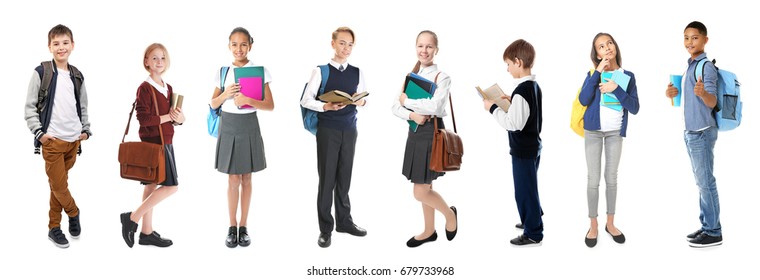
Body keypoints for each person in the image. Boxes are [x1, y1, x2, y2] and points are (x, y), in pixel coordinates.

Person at [24, 24, 92, 248]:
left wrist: (85, 130)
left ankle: (54, 228)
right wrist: (39, 133)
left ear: (72, 45)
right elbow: (30, 107)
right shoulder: (42, 72)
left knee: (57, 185)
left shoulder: (77, 75)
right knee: (59, 186)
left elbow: (82, 105)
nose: (61, 47)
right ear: (49, 47)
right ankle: (73, 212)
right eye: (56, 44)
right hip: (51, 141)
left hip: (73, 141)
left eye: (65, 43)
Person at [300, 27, 368, 248]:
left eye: (350, 44)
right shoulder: (321, 71)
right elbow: (305, 100)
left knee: (344, 178)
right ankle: (325, 229)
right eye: (342, 43)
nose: (346, 48)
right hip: (327, 131)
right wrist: (326, 106)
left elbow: (364, 98)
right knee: (327, 179)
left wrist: (360, 101)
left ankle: (345, 222)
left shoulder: (357, 72)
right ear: (333, 44)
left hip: (350, 129)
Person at [209, 27, 274, 248]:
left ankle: (244, 226)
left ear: (250, 46)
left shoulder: (259, 70)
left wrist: (248, 99)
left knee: (247, 177)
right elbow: (213, 103)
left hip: (249, 124)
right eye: (234, 44)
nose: (239, 48)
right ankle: (231, 226)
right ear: (229, 46)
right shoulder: (222, 71)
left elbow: (270, 105)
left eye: (243, 44)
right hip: (228, 125)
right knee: (232, 178)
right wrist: (226, 95)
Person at [392, 30, 458, 248]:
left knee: (420, 191)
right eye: (420, 46)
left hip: (432, 133)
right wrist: (412, 114)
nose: (424, 50)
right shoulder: (410, 75)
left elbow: (436, 107)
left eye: (429, 46)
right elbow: (395, 107)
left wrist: (408, 101)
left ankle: (450, 216)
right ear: (415, 47)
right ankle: (429, 230)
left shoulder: (443, 77)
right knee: (425, 188)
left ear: (436, 50)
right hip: (414, 132)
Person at [119, 43, 184, 248]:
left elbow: (171, 119)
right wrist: (167, 117)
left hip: (167, 141)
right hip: (154, 144)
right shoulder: (145, 88)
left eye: (163, 58)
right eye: (154, 58)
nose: (159, 62)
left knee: (151, 186)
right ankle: (132, 218)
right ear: (146, 61)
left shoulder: (168, 87)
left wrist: (179, 119)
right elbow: (144, 119)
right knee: (171, 186)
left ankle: (146, 233)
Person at [578, 33, 640, 247]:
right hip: (593, 132)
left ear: (615, 46)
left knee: (611, 178)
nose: (607, 48)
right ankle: (593, 225)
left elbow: (635, 108)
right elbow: (583, 98)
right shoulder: (592, 74)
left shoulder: (628, 75)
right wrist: (598, 72)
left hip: (615, 133)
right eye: (601, 46)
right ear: (596, 54)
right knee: (593, 179)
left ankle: (610, 224)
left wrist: (617, 89)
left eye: (609, 43)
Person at [665, 21, 722, 248]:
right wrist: (672, 94)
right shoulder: (689, 66)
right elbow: (684, 101)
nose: (690, 42)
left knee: (706, 182)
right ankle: (706, 224)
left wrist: (704, 93)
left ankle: (713, 231)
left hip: (702, 132)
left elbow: (712, 101)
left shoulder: (705, 66)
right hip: (691, 132)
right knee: (701, 182)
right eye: (686, 38)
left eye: (695, 38)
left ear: (705, 40)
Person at [482, 39, 543, 246]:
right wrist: (511, 101)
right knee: (530, 187)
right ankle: (531, 218)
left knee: (524, 190)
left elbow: (514, 123)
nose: (507, 69)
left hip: (523, 150)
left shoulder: (522, 91)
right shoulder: (533, 87)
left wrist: (492, 108)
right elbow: (527, 115)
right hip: (533, 146)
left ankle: (533, 232)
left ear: (518, 62)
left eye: (508, 64)